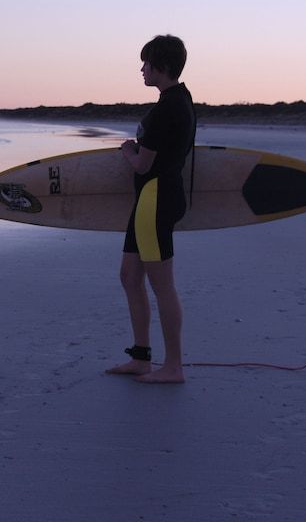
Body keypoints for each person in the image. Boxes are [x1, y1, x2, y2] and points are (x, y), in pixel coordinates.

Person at [106, 34, 195, 384]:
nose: (142, 69)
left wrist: (127, 150)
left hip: (156, 200)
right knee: (129, 277)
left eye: (146, 63)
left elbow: (143, 165)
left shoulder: (169, 107)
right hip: (149, 200)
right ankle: (141, 358)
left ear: (162, 66)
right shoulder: (179, 99)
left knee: (163, 286)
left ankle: (173, 366)